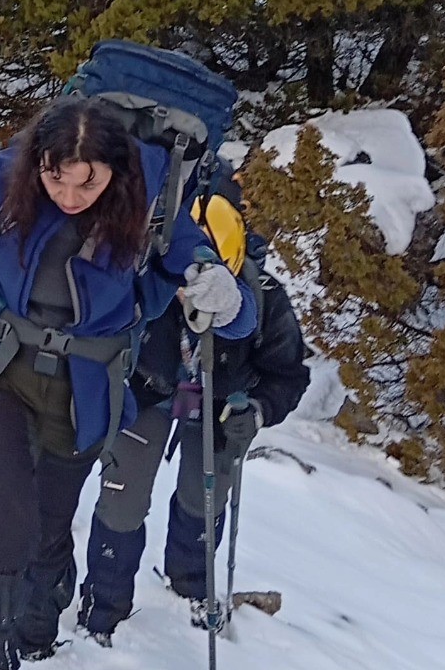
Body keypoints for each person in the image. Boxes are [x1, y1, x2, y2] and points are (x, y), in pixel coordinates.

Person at [0, 97, 255, 670]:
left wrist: (223, 293)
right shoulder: (7, 179)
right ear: (39, 161)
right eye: (56, 176)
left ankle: (37, 631)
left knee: (51, 528)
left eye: (89, 180)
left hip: (88, 389)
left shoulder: (152, 210)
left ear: (117, 170)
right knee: (10, 522)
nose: (71, 194)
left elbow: (224, 298)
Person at [77, 189, 308, 644]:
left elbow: (288, 375)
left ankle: (190, 584)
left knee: (203, 497)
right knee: (123, 495)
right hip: (151, 391)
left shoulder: (265, 300)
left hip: (221, 403)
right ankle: (103, 604)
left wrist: (257, 411)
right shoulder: (153, 277)